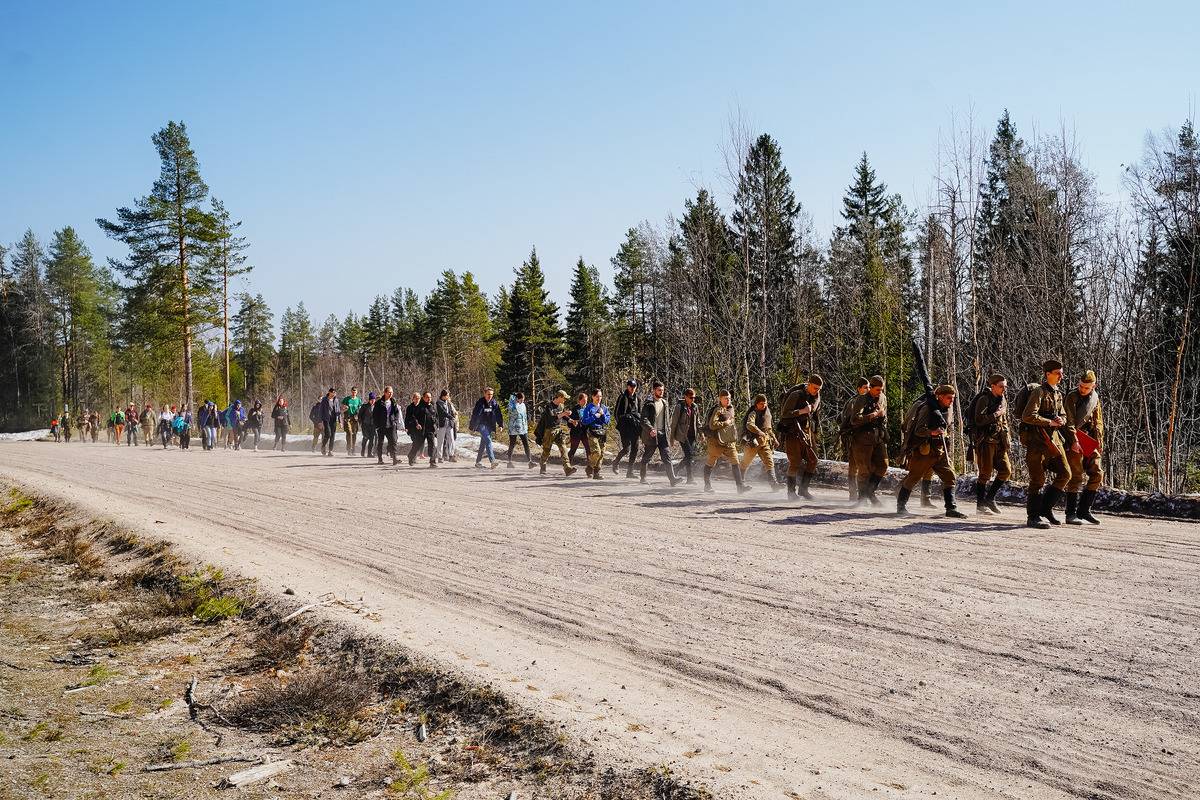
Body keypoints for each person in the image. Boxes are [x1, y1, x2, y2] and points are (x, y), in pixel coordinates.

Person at [896, 385, 967, 518]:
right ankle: (901, 506)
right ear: (939, 396)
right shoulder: (927, 408)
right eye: (949, 398)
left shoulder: (948, 408)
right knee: (913, 477)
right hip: (925, 450)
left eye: (953, 398)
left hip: (940, 450)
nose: (951, 401)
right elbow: (918, 430)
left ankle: (951, 508)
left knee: (950, 476)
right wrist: (932, 432)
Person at [1020, 359, 1073, 529]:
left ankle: (1045, 509)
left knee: (1066, 474)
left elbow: (1064, 415)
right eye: (1057, 373)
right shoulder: (1038, 392)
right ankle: (1033, 517)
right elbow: (1028, 416)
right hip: (1037, 441)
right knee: (1038, 480)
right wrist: (1049, 422)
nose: (1061, 376)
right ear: (1047, 374)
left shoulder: (1058, 393)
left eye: (1061, 373)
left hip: (1055, 442)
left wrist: (1061, 420)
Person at [1064, 369, 1104, 525]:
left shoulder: (1095, 398)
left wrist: (1099, 441)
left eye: (1086, 387)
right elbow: (1069, 422)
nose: (1083, 389)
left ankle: (1084, 510)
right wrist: (1074, 441)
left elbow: (1098, 421)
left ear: (1094, 386)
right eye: (1081, 386)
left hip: (1089, 440)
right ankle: (1070, 513)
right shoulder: (1072, 397)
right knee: (1076, 476)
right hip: (1074, 440)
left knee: (1098, 473)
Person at [969, 374, 1011, 515]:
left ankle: (990, 498)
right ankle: (980, 506)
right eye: (1001, 386)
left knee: (1006, 470)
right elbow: (979, 420)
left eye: (1005, 386)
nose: (1004, 389)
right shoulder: (984, 399)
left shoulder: (1002, 399)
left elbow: (1004, 420)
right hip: (985, 441)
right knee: (985, 474)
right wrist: (996, 414)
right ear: (992, 386)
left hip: (999, 441)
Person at [778, 375, 823, 500]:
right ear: (809, 384)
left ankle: (803, 490)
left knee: (813, 460)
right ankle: (791, 493)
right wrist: (802, 411)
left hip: (807, 432)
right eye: (815, 388)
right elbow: (785, 415)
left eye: (819, 389)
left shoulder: (815, 397)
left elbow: (814, 413)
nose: (816, 391)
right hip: (793, 432)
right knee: (795, 462)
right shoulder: (796, 395)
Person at [847, 376, 889, 505]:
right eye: (877, 389)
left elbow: (885, 417)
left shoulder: (883, 398)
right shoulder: (862, 399)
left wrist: (882, 420)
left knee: (883, 465)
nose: (879, 392)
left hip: (877, 437)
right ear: (870, 387)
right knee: (864, 470)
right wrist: (873, 415)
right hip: (862, 439)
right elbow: (854, 419)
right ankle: (861, 499)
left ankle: (870, 492)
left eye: (881, 390)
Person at [703, 390, 750, 493]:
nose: (728, 400)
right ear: (720, 399)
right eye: (726, 398)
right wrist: (725, 423)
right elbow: (712, 425)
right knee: (711, 462)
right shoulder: (718, 410)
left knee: (735, 461)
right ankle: (707, 485)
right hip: (716, 441)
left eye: (729, 398)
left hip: (729, 441)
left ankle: (740, 486)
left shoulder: (731, 408)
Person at [637, 381, 679, 486]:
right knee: (647, 456)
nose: (661, 392)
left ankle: (672, 479)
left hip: (663, 434)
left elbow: (667, 421)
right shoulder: (648, 404)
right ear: (654, 390)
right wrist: (650, 429)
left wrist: (670, 434)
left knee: (667, 457)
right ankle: (643, 478)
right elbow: (643, 419)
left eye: (663, 390)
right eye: (659, 390)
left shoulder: (665, 403)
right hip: (651, 435)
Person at [740, 394, 781, 490]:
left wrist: (774, 439)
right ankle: (741, 484)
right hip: (753, 442)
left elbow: (769, 428)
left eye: (765, 403)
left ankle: (774, 484)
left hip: (765, 442)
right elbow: (749, 425)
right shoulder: (753, 413)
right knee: (745, 463)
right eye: (761, 404)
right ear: (756, 404)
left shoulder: (767, 413)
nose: (763, 406)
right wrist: (759, 432)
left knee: (769, 462)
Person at [839, 378, 870, 500]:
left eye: (868, 387)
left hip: (866, 439)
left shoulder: (869, 400)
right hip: (854, 438)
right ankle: (853, 493)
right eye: (865, 387)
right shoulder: (854, 402)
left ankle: (864, 493)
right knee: (854, 466)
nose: (867, 389)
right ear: (859, 389)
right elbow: (849, 421)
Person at [533, 390, 576, 475]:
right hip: (549, 431)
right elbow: (552, 418)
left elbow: (564, 416)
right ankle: (543, 465)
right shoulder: (549, 407)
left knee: (563, 448)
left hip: (558, 430)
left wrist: (570, 420)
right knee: (546, 450)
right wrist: (564, 413)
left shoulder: (561, 405)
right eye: (564, 398)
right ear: (559, 397)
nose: (565, 400)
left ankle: (567, 468)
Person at [612, 379, 642, 477]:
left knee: (635, 448)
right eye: (631, 386)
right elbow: (616, 413)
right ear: (627, 386)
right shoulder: (622, 397)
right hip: (625, 426)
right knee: (626, 449)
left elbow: (640, 413)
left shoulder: (638, 399)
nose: (632, 389)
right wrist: (620, 424)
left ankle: (630, 472)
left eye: (634, 387)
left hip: (635, 427)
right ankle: (616, 462)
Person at [670, 388, 700, 484]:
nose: (693, 399)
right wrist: (672, 438)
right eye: (691, 397)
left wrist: (701, 433)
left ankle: (676, 470)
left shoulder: (695, 407)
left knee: (689, 456)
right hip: (682, 435)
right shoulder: (680, 407)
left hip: (692, 435)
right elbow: (674, 423)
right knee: (689, 455)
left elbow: (698, 422)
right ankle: (690, 479)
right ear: (685, 397)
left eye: (694, 398)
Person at [580, 388, 611, 479]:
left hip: (602, 432)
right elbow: (584, 421)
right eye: (597, 396)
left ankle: (596, 472)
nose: (599, 398)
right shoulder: (589, 407)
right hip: (592, 432)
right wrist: (594, 416)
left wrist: (602, 414)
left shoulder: (604, 408)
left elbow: (607, 421)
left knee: (602, 453)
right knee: (597, 452)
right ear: (593, 397)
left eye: (600, 396)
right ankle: (590, 467)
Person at [469, 387, 503, 469]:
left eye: (491, 394)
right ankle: (493, 461)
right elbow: (475, 415)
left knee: (483, 443)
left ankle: (478, 462)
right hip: (481, 425)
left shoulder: (494, 403)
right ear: (484, 394)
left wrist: (501, 424)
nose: (490, 396)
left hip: (490, 425)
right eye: (488, 394)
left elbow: (498, 414)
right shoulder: (480, 403)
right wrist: (472, 426)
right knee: (488, 440)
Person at [408, 392, 438, 467]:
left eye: (430, 397)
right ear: (423, 398)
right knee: (417, 445)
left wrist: (436, 425)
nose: (429, 399)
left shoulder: (433, 406)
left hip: (430, 429)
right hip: (421, 430)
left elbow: (436, 417)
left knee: (432, 445)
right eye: (427, 397)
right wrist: (417, 424)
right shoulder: (420, 407)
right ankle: (411, 456)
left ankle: (432, 461)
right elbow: (413, 417)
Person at [373, 385, 401, 465]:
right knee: (380, 443)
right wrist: (377, 426)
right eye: (389, 392)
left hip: (391, 425)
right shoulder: (379, 403)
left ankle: (395, 458)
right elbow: (375, 415)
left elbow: (396, 412)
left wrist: (395, 421)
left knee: (394, 441)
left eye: (392, 392)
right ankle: (380, 459)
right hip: (381, 426)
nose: (391, 394)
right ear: (385, 393)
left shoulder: (393, 401)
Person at [505, 392, 534, 468]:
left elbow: (524, 416)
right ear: (517, 398)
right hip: (513, 427)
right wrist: (513, 401)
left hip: (522, 427)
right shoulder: (512, 405)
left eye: (523, 400)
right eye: (521, 400)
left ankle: (530, 462)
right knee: (512, 444)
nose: (522, 401)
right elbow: (511, 412)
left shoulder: (523, 405)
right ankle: (509, 462)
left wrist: (526, 426)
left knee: (526, 444)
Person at [566, 392, 590, 468]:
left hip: (585, 432)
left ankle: (590, 468)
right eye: (583, 400)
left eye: (586, 400)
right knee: (573, 449)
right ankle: (567, 466)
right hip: (576, 432)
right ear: (579, 401)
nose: (585, 402)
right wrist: (574, 422)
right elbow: (569, 422)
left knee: (588, 449)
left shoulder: (588, 409)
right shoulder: (575, 409)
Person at [435, 390, 457, 463]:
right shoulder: (438, 403)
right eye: (447, 395)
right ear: (443, 396)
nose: (448, 397)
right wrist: (450, 417)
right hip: (442, 424)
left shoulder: (448, 403)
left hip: (449, 424)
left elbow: (451, 411)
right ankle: (440, 457)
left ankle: (451, 455)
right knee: (440, 441)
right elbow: (442, 413)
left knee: (451, 439)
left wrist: (453, 418)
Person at [318, 388, 340, 456]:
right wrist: (320, 421)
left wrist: (340, 421)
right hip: (326, 419)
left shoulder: (336, 400)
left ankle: (330, 450)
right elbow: (321, 411)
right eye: (332, 392)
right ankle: (323, 446)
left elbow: (338, 410)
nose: (334, 394)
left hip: (333, 419)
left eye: (334, 393)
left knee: (333, 435)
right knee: (328, 434)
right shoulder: (324, 400)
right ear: (329, 392)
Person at [342, 387, 362, 456]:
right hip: (348, 418)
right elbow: (342, 408)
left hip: (355, 419)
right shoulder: (347, 399)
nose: (354, 393)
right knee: (349, 433)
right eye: (353, 392)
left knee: (354, 434)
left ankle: (353, 449)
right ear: (351, 391)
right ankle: (349, 449)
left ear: (357, 392)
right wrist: (345, 408)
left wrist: (358, 412)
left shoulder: (359, 400)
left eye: (355, 392)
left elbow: (360, 408)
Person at [359, 392, 376, 458]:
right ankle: (363, 450)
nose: (372, 401)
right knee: (366, 437)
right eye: (371, 400)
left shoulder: (376, 407)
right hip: (365, 425)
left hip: (373, 425)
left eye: (373, 400)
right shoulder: (364, 406)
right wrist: (360, 423)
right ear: (369, 400)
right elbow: (360, 415)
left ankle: (369, 453)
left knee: (371, 439)